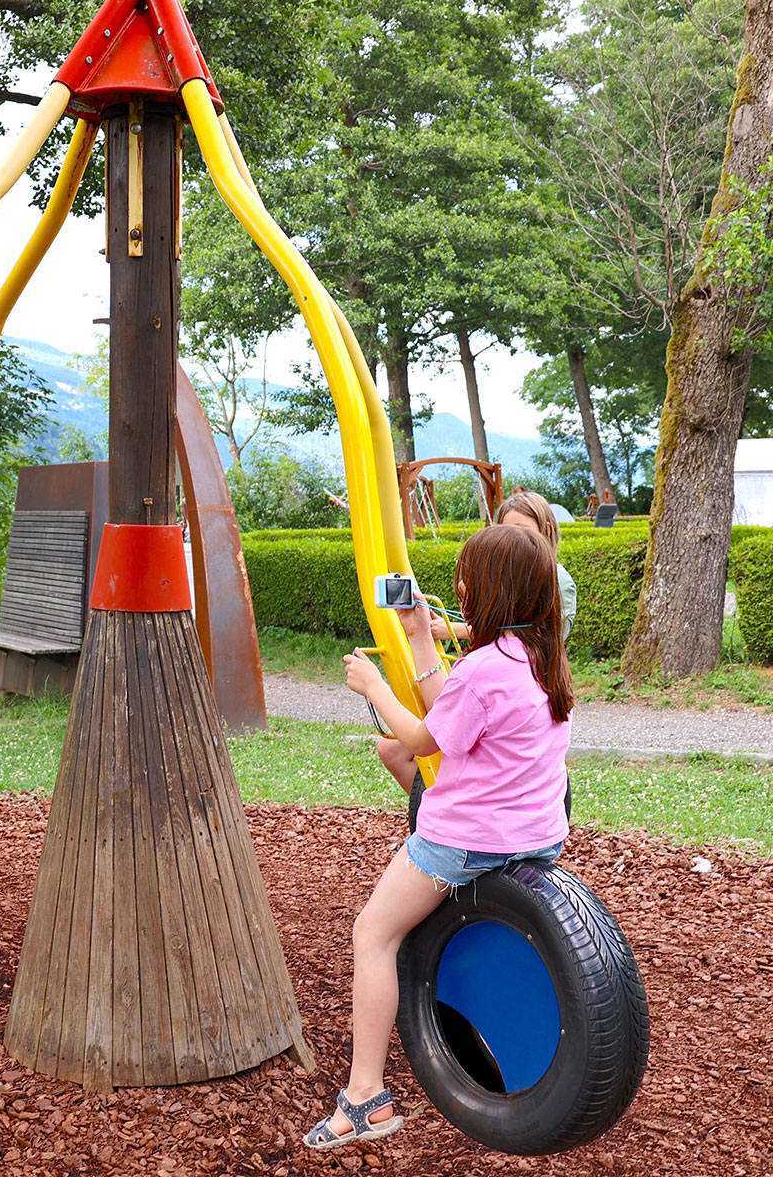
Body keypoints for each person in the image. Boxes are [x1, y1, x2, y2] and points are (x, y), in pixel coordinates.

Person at [306, 522, 574, 1150]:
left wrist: (373, 686)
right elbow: (451, 707)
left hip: (468, 842)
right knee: (396, 764)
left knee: (372, 935)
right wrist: (423, 636)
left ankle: (365, 1099)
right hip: (538, 838)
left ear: (486, 591)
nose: (455, 585)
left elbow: (424, 737)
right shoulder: (540, 658)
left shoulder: (483, 669)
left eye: (464, 578)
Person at [371, 488, 578, 794]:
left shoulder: (496, 666)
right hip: (532, 829)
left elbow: (423, 740)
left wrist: (373, 686)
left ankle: (437, 810)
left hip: (479, 832)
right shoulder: (518, 663)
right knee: (395, 750)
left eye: (521, 533)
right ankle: (433, 808)